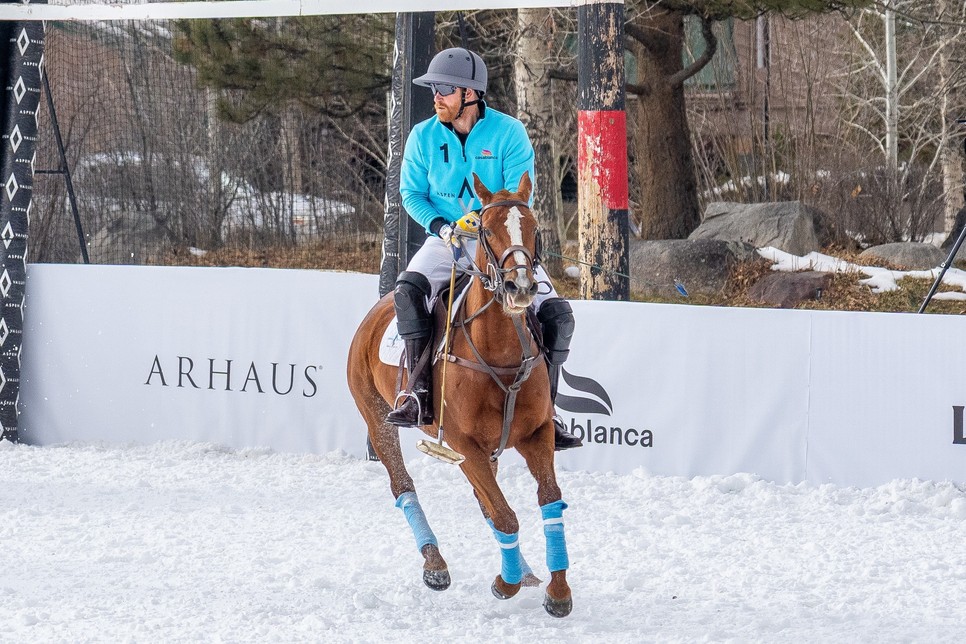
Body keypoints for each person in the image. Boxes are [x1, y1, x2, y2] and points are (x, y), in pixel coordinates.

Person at [386, 47, 582, 451]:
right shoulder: (421, 136)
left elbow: (519, 192)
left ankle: (550, 410)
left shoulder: (509, 133)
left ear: (470, 94)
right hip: (447, 240)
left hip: (503, 241)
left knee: (558, 314)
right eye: (434, 90)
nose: (436, 97)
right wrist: (442, 227)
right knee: (407, 292)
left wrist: (485, 217)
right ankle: (418, 395)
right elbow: (410, 193)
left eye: (444, 89)